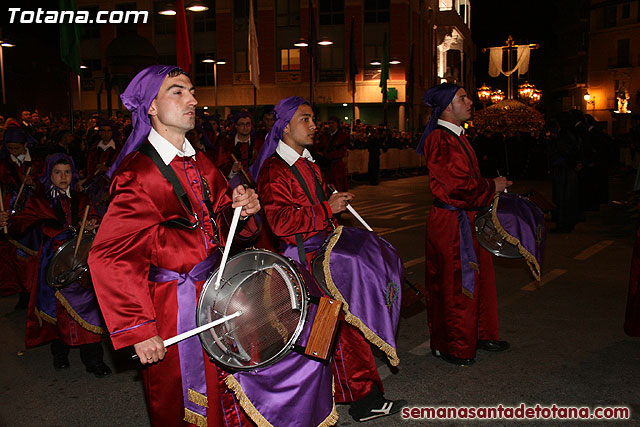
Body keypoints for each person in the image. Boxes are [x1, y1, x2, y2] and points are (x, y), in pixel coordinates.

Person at [87, 65, 261, 426]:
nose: (193, 100)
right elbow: (110, 256)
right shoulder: (138, 174)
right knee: (181, 399)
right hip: (173, 308)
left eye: (192, 91)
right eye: (178, 92)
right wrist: (139, 329)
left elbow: (218, 225)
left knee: (230, 389)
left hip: (217, 294)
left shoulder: (199, 161)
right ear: (151, 106)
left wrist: (242, 211)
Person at [252, 96, 406, 423]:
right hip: (303, 265)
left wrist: (333, 215)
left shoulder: (308, 162)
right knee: (319, 337)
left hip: (323, 260)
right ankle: (338, 401)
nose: (314, 125)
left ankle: (355, 397)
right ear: (285, 126)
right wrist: (327, 209)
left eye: (312, 119)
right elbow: (280, 222)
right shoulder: (273, 170)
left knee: (335, 333)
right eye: (305, 119)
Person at [416, 83, 512, 366]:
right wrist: (490, 185)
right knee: (454, 283)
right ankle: (452, 344)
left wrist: (488, 189)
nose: (470, 102)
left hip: (467, 218)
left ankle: (477, 333)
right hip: (451, 222)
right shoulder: (440, 139)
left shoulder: (458, 136)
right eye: (463, 98)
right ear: (447, 107)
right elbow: (456, 187)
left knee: (478, 278)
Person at [7, 153, 110, 376]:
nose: (63, 177)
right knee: (56, 311)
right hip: (52, 264)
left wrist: (93, 223)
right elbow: (19, 223)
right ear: (49, 174)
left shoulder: (81, 199)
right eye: (57, 172)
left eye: (67, 172)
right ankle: (60, 353)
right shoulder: (40, 200)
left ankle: (93, 360)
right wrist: (10, 220)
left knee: (88, 308)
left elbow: (94, 218)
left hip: (80, 263)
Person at [318, 116, 349, 192]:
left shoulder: (342, 135)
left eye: (333, 123)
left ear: (337, 124)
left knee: (338, 186)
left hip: (337, 165)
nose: (331, 125)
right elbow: (320, 146)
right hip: (327, 166)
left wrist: (326, 155)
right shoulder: (325, 135)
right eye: (329, 123)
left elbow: (341, 150)